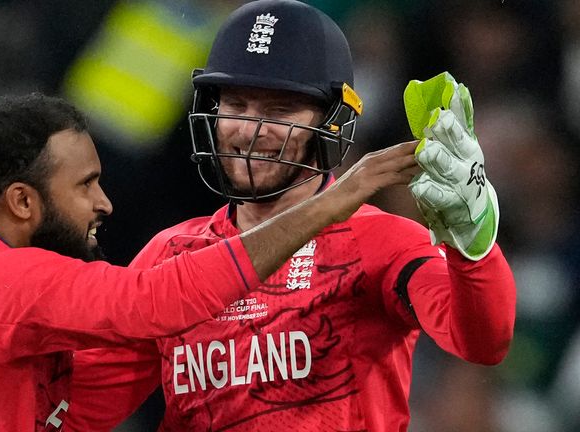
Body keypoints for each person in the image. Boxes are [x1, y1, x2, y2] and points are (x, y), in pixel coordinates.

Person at [64, 1, 516, 431]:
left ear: (333, 121)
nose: (248, 130)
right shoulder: (169, 253)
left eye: (278, 110)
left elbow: (481, 340)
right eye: (235, 105)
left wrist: (472, 247)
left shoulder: (379, 241)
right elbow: (77, 409)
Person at [0, 92, 419, 431]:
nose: (104, 203)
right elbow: (155, 304)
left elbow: (74, 404)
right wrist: (337, 199)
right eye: (85, 186)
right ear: (23, 201)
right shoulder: (4, 282)